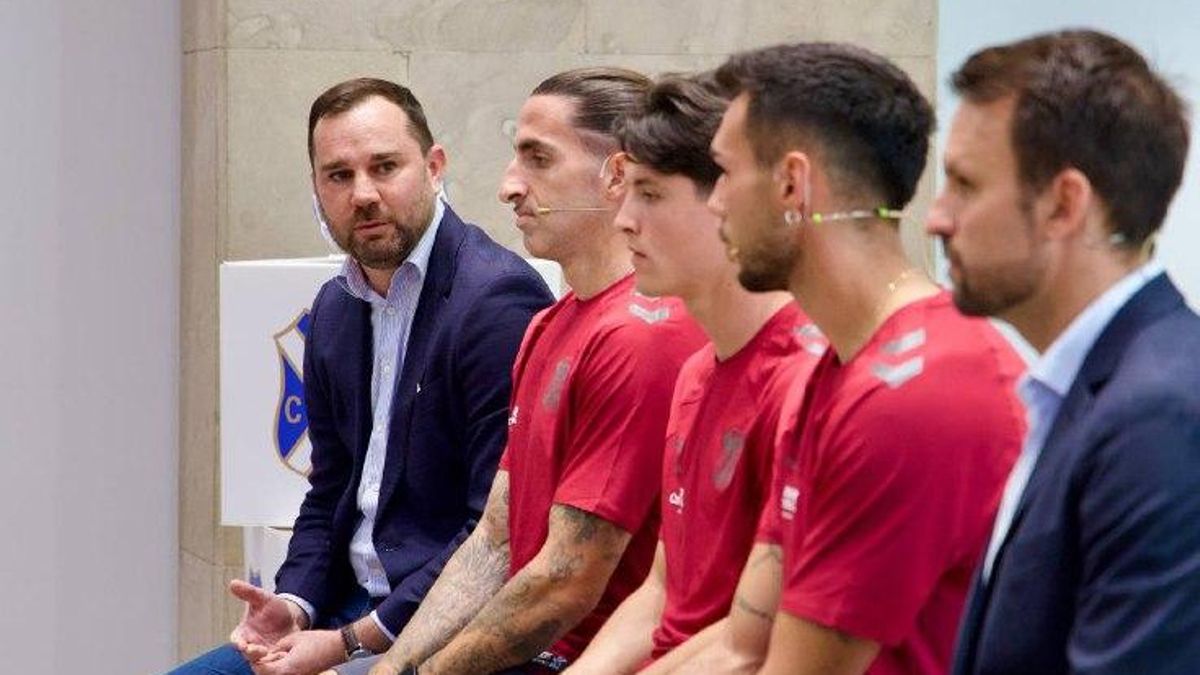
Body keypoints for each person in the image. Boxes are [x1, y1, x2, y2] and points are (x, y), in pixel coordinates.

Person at [168, 77, 554, 675]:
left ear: (434, 166)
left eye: (385, 166)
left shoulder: (495, 302)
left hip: (452, 623)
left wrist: (352, 640)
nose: (364, 194)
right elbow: (329, 491)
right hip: (344, 607)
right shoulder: (335, 307)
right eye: (339, 176)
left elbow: (492, 532)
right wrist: (293, 606)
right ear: (317, 189)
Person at [666, 43, 1026, 675]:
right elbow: (741, 645)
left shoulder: (921, 392)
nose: (716, 203)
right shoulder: (829, 369)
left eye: (725, 171)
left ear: (791, 184)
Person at [342, 67, 706, 675]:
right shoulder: (550, 323)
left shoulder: (641, 335)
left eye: (538, 159)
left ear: (615, 174)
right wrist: (392, 667)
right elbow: (494, 538)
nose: (509, 187)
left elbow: (565, 583)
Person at [927, 30, 1200, 675]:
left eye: (964, 185)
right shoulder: (1090, 391)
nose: (937, 218)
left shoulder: (1158, 418)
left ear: (1063, 205)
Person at [565, 74, 825, 675]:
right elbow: (661, 592)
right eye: (626, 193)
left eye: (650, 195)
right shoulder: (697, 372)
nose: (624, 220)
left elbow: (753, 645)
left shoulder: (801, 382)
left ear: (726, 202)